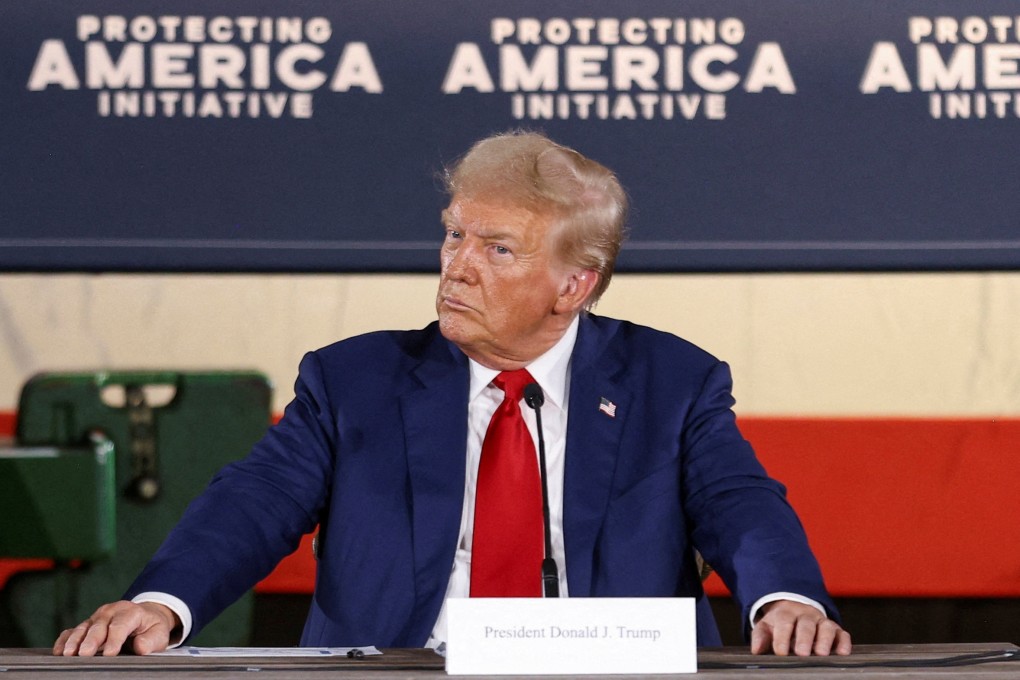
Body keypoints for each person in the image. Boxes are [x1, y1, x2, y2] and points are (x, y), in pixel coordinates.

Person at [54, 131, 851, 658]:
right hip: (400, 673)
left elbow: (739, 503)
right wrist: (164, 602)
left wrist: (787, 600)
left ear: (575, 283)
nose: (457, 265)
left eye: (497, 248)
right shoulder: (352, 382)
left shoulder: (671, 382)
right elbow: (255, 501)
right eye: (453, 234)